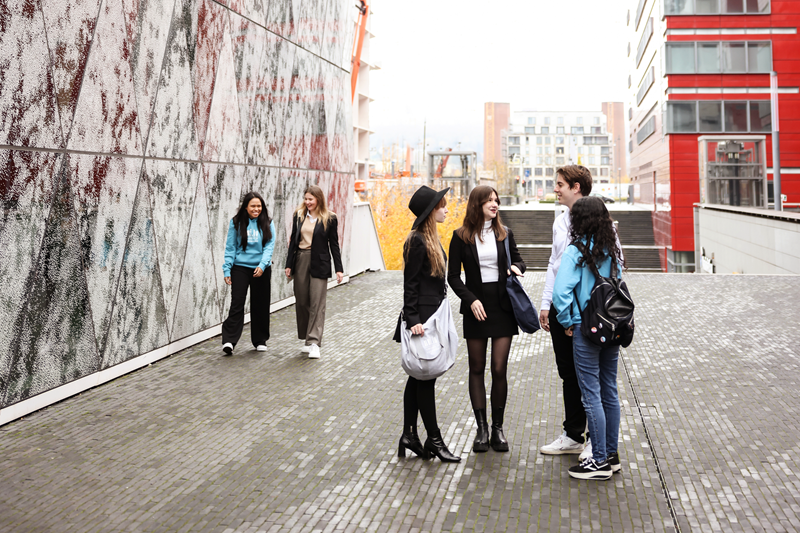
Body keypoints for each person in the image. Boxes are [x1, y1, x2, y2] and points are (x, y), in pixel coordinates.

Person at [448, 186, 525, 453]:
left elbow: (519, 261)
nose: (495, 204)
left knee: (499, 368)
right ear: (476, 204)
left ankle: (497, 429)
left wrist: (517, 268)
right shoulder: (460, 237)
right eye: (489, 200)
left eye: (496, 200)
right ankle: (481, 429)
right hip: (476, 306)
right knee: (477, 368)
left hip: (503, 306)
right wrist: (470, 299)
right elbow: (453, 277)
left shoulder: (505, 234)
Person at [552, 196, 625, 480]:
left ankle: (597, 463)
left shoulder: (575, 251)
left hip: (586, 328)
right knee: (610, 390)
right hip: (612, 328)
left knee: (590, 393)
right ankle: (610, 454)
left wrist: (569, 322)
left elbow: (561, 293)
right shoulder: (612, 252)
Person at [394, 186, 460, 463]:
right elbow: (410, 284)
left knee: (418, 377)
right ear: (431, 212)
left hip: (432, 315)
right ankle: (434, 439)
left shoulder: (429, 238)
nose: (446, 209)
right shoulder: (417, 241)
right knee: (426, 378)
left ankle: (410, 434)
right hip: (422, 319)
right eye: (442, 205)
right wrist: (413, 321)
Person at [539, 165, 594, 458]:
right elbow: (554, 264)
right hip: (561, 309)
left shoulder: (599, 221)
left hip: (585, 311)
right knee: (568, 373)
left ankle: (595, 440)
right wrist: (546, 303)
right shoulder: (560, 221)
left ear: (576, 187)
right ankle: (573, 435)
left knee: (590, 374)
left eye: (560, 184)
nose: (555, 189)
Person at [285, 185, 344, 359]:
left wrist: (339, 269)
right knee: (302, 300)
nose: (307, 202)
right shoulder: (299, 215)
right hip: (301, 260)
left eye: (311, 199)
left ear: (319, 199)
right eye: (306, 199)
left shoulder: (330, 218)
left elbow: (334, 244)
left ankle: (314, 342)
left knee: (317, 302)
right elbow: (293, 242)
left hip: (320, 262)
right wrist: (289, 264)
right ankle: (306, 338)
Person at [221, 192, 276, 356]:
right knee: (237, 302)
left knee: (260, 304)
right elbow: (230, 247)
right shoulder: (236, 222)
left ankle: (260, 340)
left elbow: (269, 247)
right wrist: (227, 268)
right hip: (240, 267)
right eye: (253, 206)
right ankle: (229, 340)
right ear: (246, 207)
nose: (256, 209)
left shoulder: (267, 222)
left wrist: (262, 265)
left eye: (259, 206)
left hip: (262, 268)